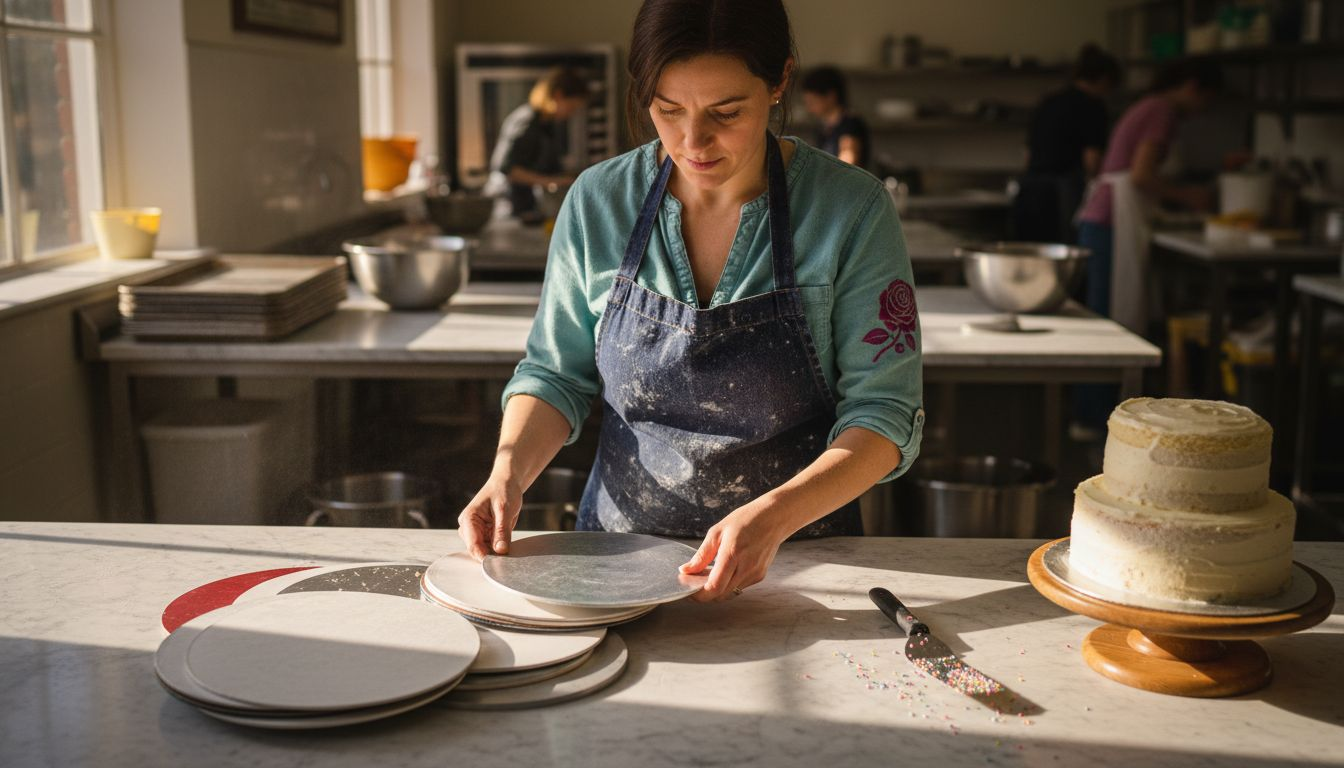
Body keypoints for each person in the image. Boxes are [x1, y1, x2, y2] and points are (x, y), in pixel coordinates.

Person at [458, 0, 924, 602]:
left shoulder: (850, 211)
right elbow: (554, 375)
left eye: (726, 112)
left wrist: (775, 517)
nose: (693, 141)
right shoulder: (598, 203)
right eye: (667, 109)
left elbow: (883, 415)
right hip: (614, 566)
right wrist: (507, 472)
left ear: (779, 81)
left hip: (800, 565)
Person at [1071, 57, 1221, 435]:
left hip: (1103, 218)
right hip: (1111, 221)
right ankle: (1096, 419)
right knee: (1110, 325)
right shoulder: (1163, 112)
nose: (1203, 109)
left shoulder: (1147, 106)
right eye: (1207, 100)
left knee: (1103, 319)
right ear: (1192, 87)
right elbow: (1141, 175)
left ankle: (1094, 414)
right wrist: (1189, 197)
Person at [1012, 44, 1120, 242]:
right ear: (1104, 80)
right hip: (1063, 191)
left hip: (1030, 185)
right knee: (1060, 254)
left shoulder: (1049, 101)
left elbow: (1028, 152)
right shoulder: (1093, 106)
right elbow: (1092, 160)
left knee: (1031, 250)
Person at [483, 67, 590, 220]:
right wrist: (548, 182)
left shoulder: (548, 125)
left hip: (528, 208)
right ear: (558, 96)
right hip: (508, 208)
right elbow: (507, 168)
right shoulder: (526, 121)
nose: (571, 113)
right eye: (571, 106)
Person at [800, 65, 869, 169]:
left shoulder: (850, 125)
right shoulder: (823, 128)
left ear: (831, 96)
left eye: (812, 102)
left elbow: (846, 165)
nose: (809, 108)